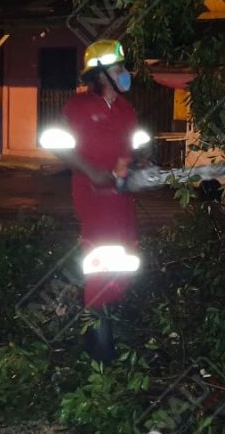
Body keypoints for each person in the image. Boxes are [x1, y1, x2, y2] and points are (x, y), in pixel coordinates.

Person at [56, 39, 139, 361]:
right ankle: (98, 344)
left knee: (126, 262)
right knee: (100, 264)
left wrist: (136, 164)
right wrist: (92, 172)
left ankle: (108, 322)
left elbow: (131, 148)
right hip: (93, 198)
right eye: (119, 67)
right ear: (101, 73)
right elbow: (61, 146)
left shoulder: (125, 108)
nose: (125, 72)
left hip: (122, 200)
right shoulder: (76, 108)